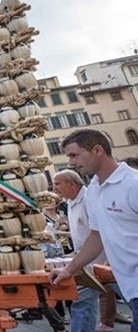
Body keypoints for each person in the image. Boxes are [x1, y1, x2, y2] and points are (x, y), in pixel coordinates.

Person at [49, 129, 138, 332]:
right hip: (129, 286)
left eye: (74, 155)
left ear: (97, 150)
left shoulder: (133, 184)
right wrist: (68, 269)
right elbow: (95, 237)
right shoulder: (95, 189)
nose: (71, 162)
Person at [53, 169, 105, 332]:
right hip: (87, 261)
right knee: (84, 303)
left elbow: (98, 233)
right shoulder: (70, 201)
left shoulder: (89, 200)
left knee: (82, 303)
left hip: (96, 261)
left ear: (72, 184)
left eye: (57, 184)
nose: (54, 188)